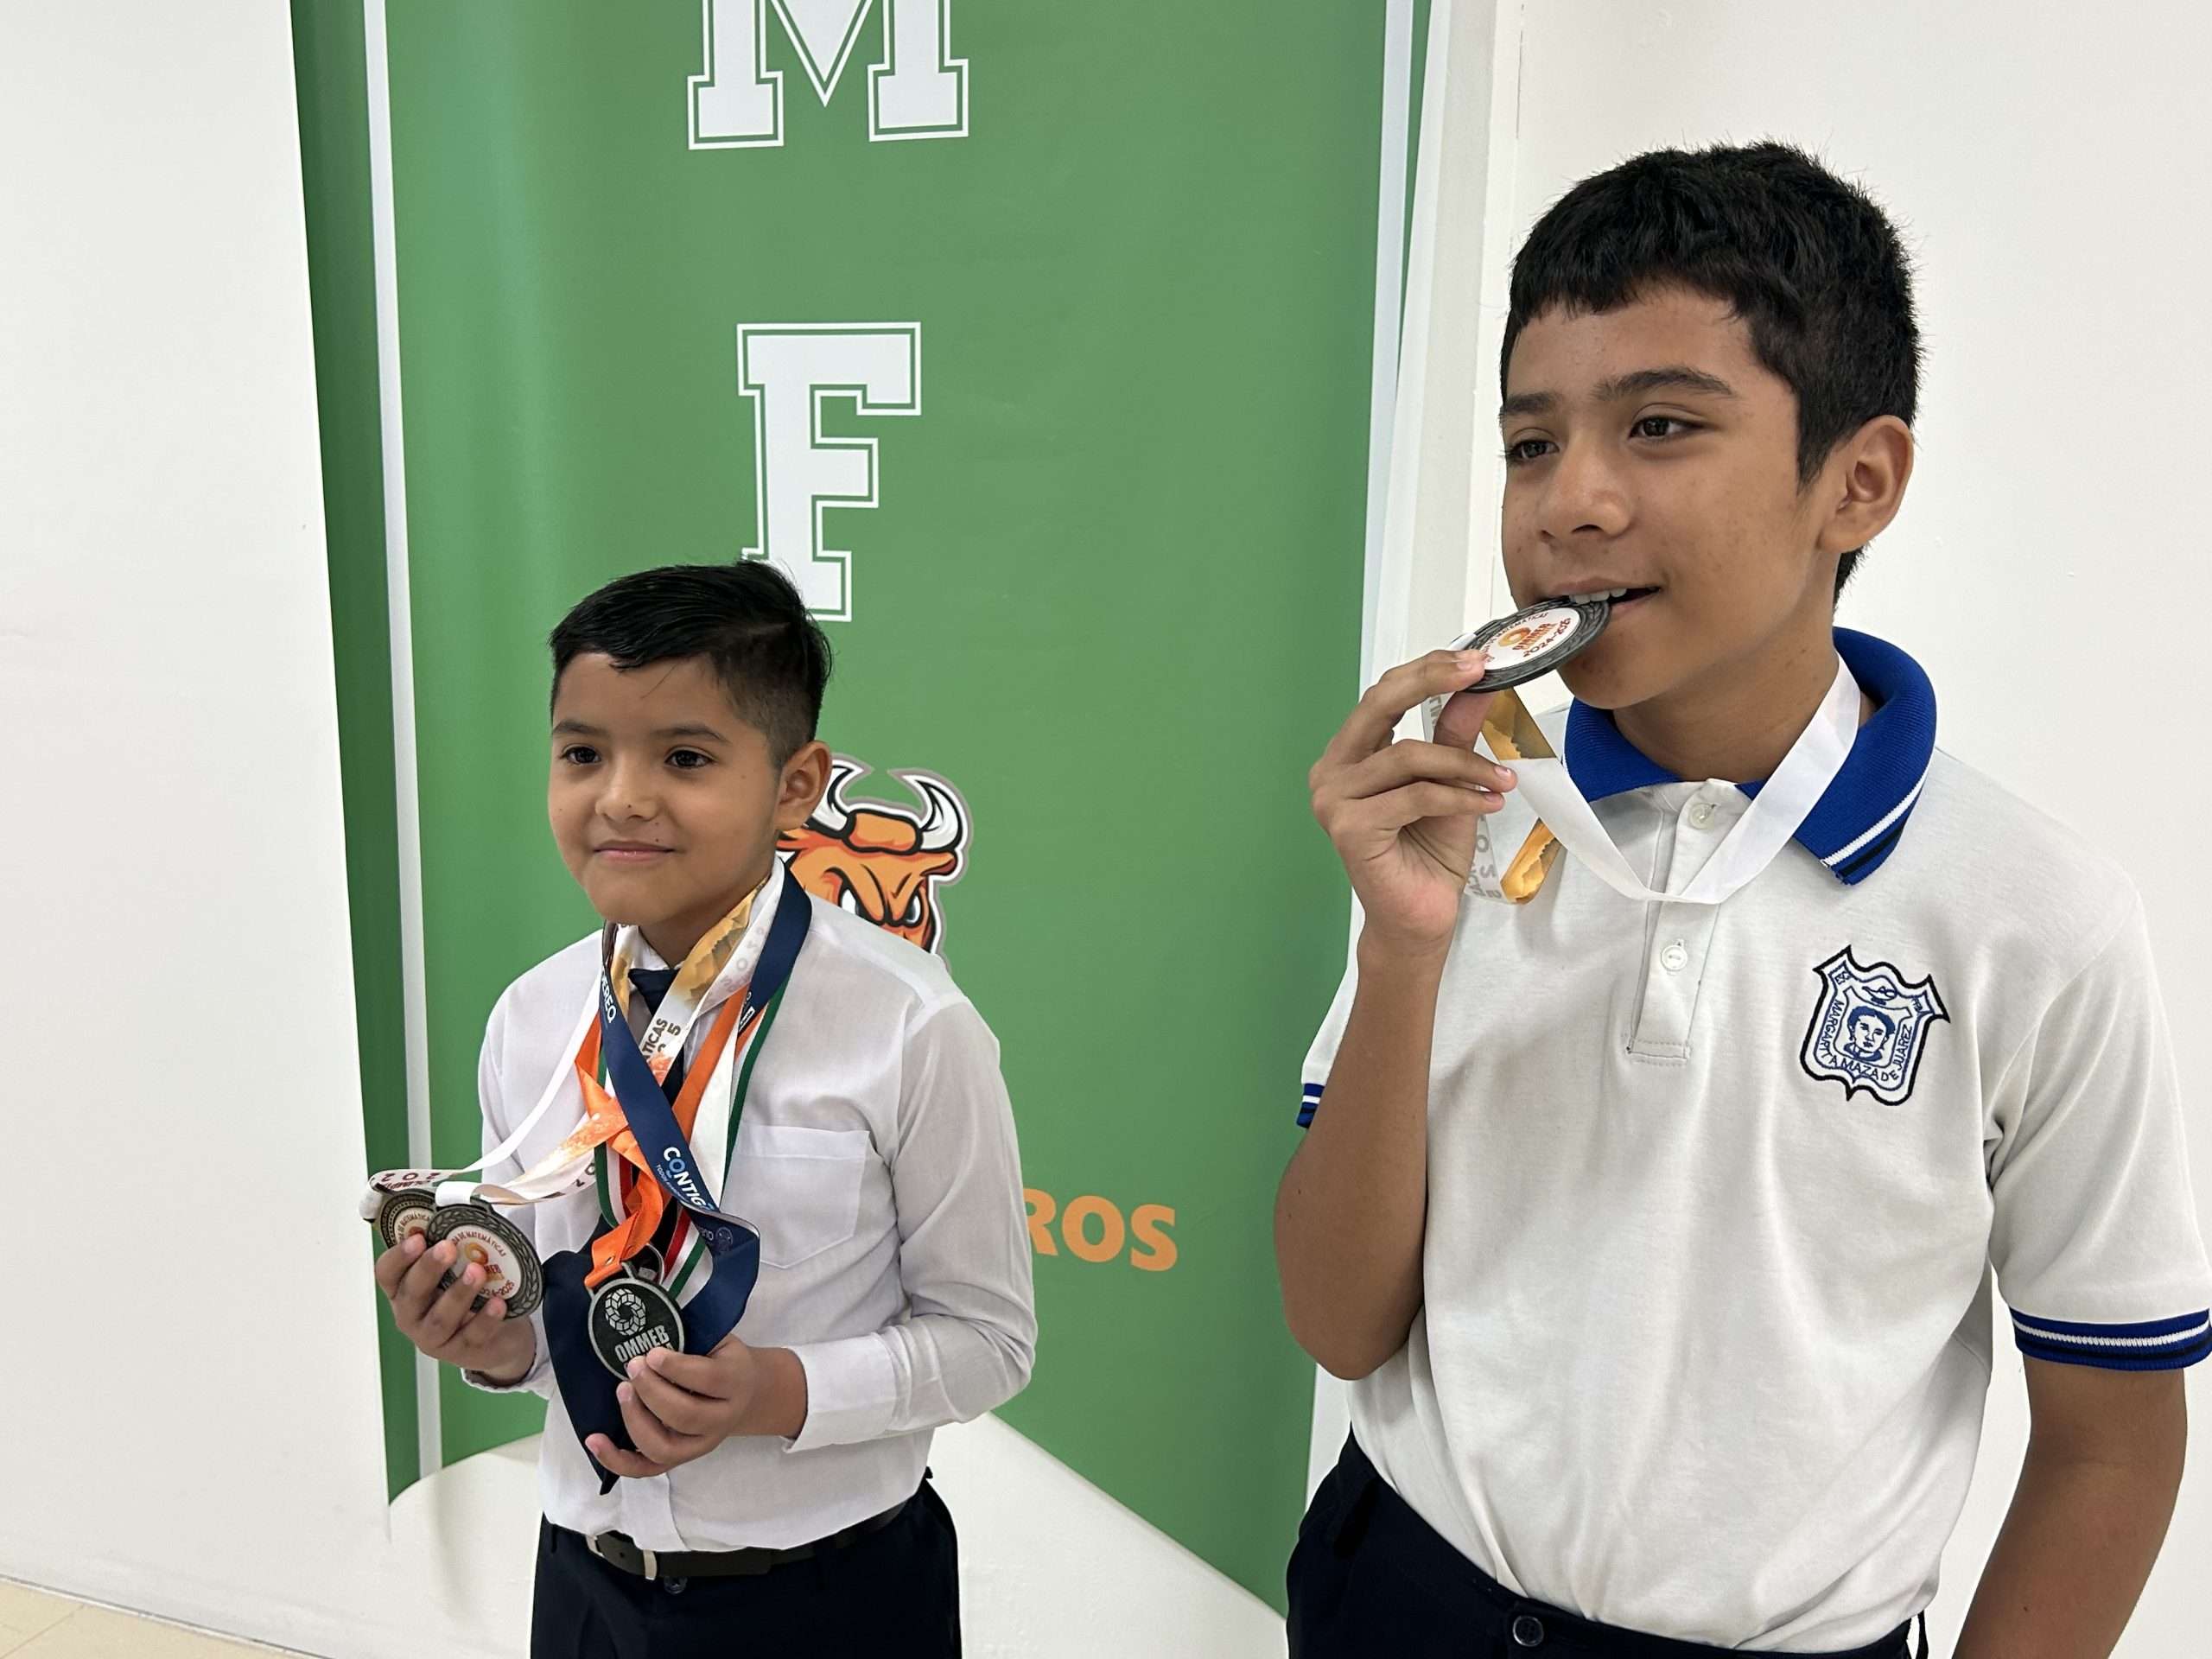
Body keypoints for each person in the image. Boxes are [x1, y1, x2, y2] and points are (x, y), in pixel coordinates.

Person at [1279, 142, 2210, 1658]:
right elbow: (1338, 1325)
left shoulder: (2037, 916)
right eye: (1529, 442)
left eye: (1659, 426)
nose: (1571, 503)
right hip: (1397, 1590)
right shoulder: (1469, 817)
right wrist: (1402, 957)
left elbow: (2112, 1444)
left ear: (1859, 482)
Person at [372, 560, 1035, 1657]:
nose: (622, 797)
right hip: (585, 1583)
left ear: (794, 784)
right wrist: (492, 1338)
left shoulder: (908, 1024)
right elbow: (555, 1326)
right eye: (583, 753)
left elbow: (988, 1340)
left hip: (834, 1600)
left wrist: (777, 1391)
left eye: (684, 757)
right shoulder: (533, 1018)